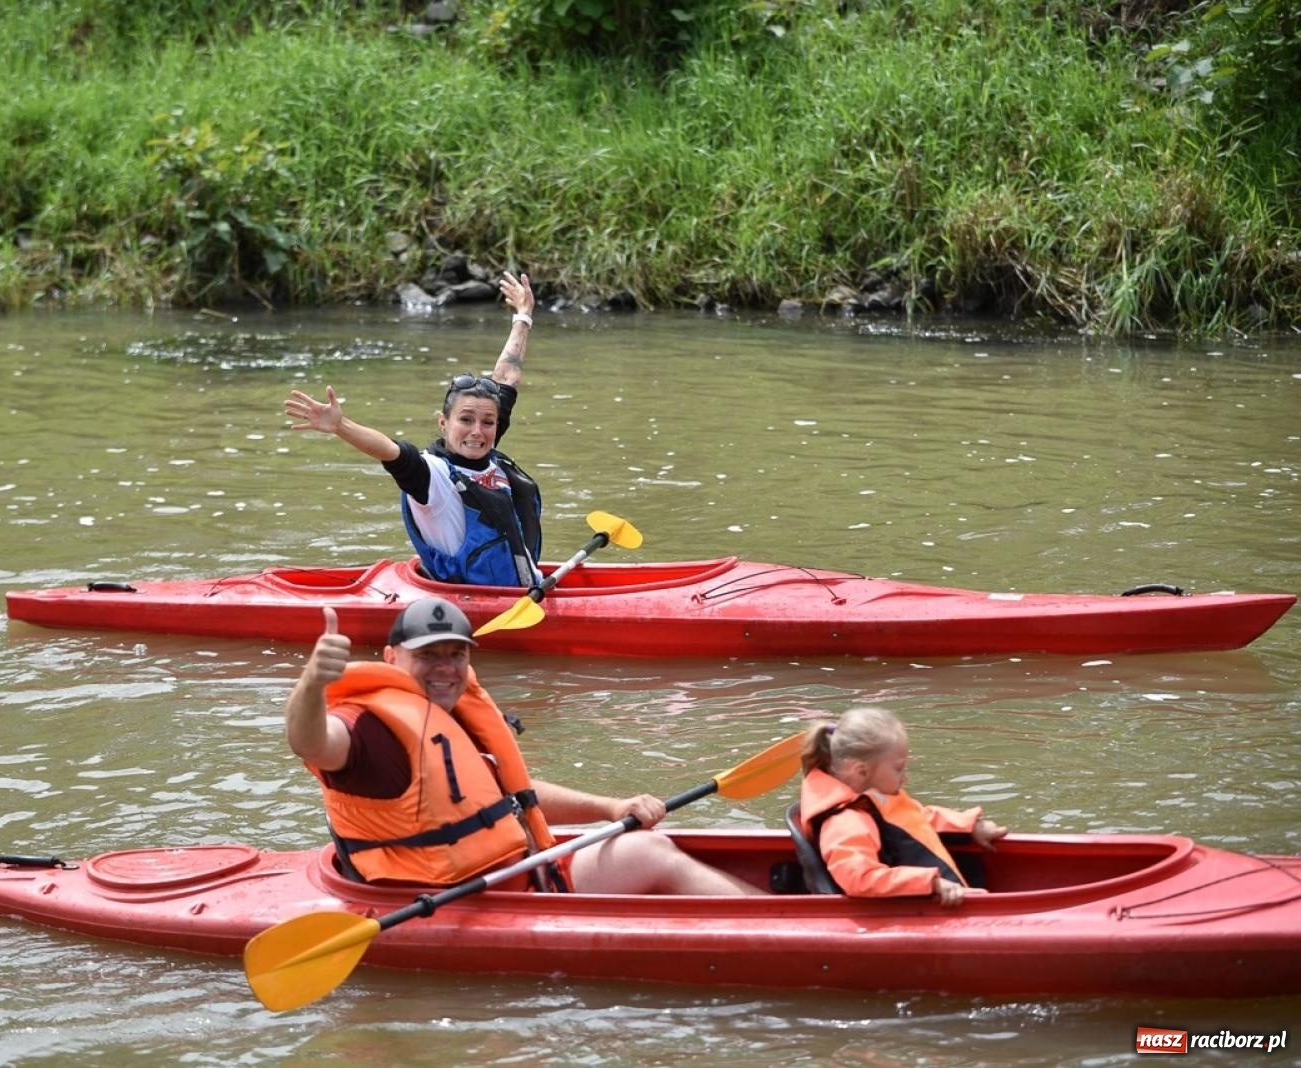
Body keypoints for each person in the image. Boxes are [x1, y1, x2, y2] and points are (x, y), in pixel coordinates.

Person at [284, 596, 763, 895]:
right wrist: (310, 686)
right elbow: (311, 742)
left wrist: (610, 805)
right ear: (391, 658)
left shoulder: (453, 714)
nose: (445, 667)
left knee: (648, 845)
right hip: (446, 900)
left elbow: (507, 795)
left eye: (455, 653)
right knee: (650, 856)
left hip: (515, 874)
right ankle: (775, 927)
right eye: (427, 655)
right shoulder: (368, 726)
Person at [284, 271, 544, 587]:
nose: (477, 430)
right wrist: (341, 426)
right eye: (465, 420)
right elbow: (391, 452)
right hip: (474, 601)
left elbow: (507, 377)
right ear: (443, 422)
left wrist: (523, 316)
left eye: (488, 422)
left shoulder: (482, 449)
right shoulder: (431, 477)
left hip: (525, 587)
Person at [797, 706, 1007, 905]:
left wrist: (969, 826)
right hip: (914, 912)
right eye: (898, 769)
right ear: (861, 771)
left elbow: (916, 818)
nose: (904, 778)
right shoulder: (845, 821)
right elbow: (860, 878)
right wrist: (929, 882)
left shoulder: (875, 798)